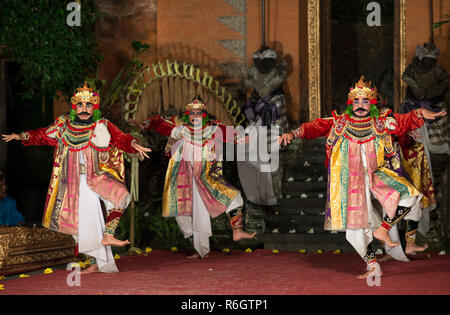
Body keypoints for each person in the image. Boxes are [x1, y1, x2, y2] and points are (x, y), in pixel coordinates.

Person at [279, 76, 446, 279]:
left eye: (365, 101)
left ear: (372, 103)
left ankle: (383, 230)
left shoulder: (382, 122)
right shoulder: (339, 123)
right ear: (351, 103)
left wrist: (419, 114)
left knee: (410, 196)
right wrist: (293, 134)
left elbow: (404, 121)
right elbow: (313, 127)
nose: (360, 105)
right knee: (355, 233)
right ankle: (372, 264)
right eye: (356, 101)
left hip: (377, 175)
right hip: (351, 184)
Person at [2, 82, 152, 274]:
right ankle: (95, 262)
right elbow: (42, 135)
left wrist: (133, 144)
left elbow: (121, 138)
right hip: (71, 184)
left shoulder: (101, 125)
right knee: (80, 227)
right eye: (80, 105)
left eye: (88, 105)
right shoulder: (63, 125)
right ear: (74, 106)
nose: (84, 109)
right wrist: (22, 136)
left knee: (120, 196)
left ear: (94, 107)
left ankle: (108, 234)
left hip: (95, 178)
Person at [130, 96, 256, 259]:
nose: (195, 116)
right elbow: (159, 122)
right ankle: (198, 247)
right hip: (183, 178)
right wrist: (144, 125)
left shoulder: (211, 129)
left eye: (198, 113)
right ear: (187, 114)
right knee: (181, 214)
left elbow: (227, 133)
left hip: (205, 178)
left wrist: (240, 140)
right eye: (192, 113)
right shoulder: (179, 127)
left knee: (232, 197)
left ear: (203, 114)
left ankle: (237, 231)